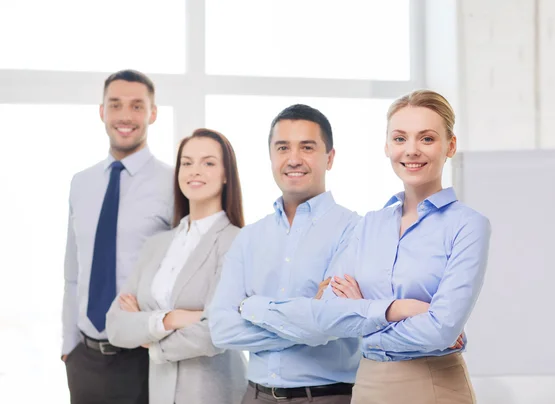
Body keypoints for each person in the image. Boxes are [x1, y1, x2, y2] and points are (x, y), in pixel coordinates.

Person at [238, 90, 492, 404]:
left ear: (450, 146)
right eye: (400, 139)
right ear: (387, 146)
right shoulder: (370, 225)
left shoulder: (468, 226)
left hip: (434, 385)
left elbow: (440, 331)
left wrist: (362, 319)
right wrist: (395, 309)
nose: (411, 150)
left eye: (426, 139)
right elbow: (328, 310)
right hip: (368, 386)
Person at [209, 104, 361, 404]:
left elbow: (328, 323)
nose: (293, 159)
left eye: (307, 147)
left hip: (326, 397)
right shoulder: (249, 236)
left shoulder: (355, 230)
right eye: (282, 148)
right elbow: (221, 330)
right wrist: (305, 318)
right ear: (271, 156)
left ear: (329, 158)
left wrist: (250, 307)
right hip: (255, 396)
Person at [106, 128, 247, 404]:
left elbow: (216, 331)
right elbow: (116, 325)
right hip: (160, 395)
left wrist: (149, 338)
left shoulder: (237, 242)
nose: (195, 171)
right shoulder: (156, 245)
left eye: (208, 163)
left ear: (226, 174)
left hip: (215, 394)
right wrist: (172, 318)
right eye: (187, 163)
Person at [61, 69, 173, 404]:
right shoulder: (81, 183)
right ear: (102, 112)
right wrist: (69, 348)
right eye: (116, 104)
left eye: (137, 106)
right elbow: (73, 272)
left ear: (153, 113)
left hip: (144, 358)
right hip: (85, 359)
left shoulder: (174, 183)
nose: (125, 116)